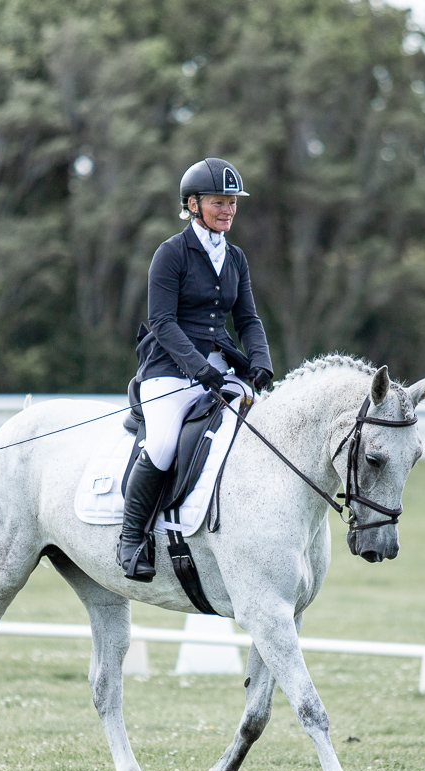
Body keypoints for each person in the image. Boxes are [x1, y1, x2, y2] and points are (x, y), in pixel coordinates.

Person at [116, 157, 274, 581]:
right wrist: (198, 368)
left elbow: (247, 320)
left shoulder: (235, 257)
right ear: (193, 204)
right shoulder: (170, 254)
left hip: (219, 366)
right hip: (168, 370)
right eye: (219, 202)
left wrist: (261, 362)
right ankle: (132, 539)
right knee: (165, 444)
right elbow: (163, 321)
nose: (228, 210)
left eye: (232, 203)